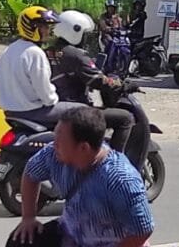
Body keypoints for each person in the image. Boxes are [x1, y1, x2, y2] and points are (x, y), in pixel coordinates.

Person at [5, 107, 153, 247]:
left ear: (83, 148)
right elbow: (30, 173)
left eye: (60, 140)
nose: (53, 144)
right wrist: (28, 217)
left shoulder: (120, 178)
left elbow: (143, 228)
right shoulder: (53, 154)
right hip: (73, 236)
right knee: (20, 246)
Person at [50, 10, 134, 153]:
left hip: (57, 104)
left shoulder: (49, 51)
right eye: (85, 34)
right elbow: (99, 81)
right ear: (75, 31)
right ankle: (114, 164)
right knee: (125, 118)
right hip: (76, 107)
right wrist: (122, 84)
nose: (86, 39)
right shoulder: (76, 55)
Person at [0, 6, 86, 128]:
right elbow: (45, 93)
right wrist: (54, 98)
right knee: (84, 111)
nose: (48, 31)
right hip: (32, 112)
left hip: (10, 111)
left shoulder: (11, 48)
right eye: (45, 27)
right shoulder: (35, 53)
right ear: (33, 28)